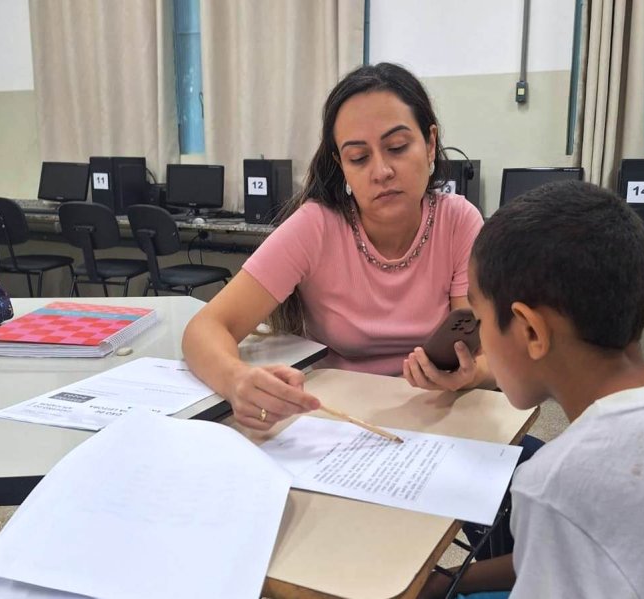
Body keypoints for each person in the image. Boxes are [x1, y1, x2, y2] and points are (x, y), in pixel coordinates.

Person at [421, 181, 644, 598]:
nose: (480, 343)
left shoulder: (555, 485)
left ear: (531, 330)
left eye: (479, 319)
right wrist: (452, 582)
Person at [181, 62, 493, 431]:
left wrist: (467, 377)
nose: (381, 171)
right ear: (341, 165)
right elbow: (206, 327)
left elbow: (486, 352)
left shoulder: (459, 222)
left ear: (429, 144)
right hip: (339, 420)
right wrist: (235, 381)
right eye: (358, 157)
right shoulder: (316, 226)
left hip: (439, 413)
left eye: (397, 146)